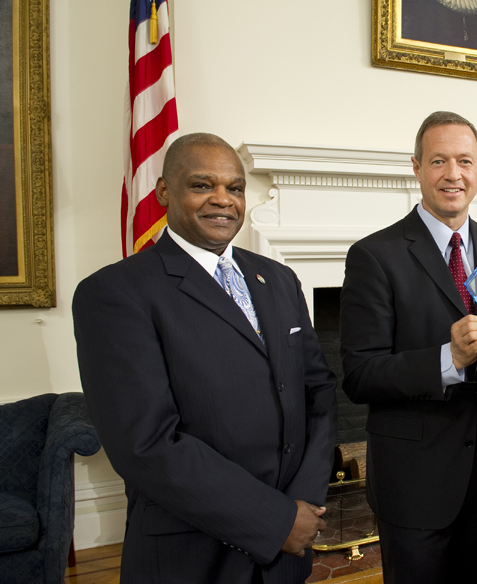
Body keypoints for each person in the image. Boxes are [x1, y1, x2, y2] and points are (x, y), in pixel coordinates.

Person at [73, 133, 338, 584]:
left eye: (235, 188)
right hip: (191, 555)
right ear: (163, 192)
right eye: (202, 185)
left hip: (289, 553)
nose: (223, 200)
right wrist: (275, 520)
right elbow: (146, 444)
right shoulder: (115, 293)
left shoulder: (277, 278)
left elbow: (320, 393)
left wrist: (304, 505)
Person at [339, 111, 477, 584]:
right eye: (438, 160)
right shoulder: (374, 256)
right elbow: (361, 375)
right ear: (416, 167)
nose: (453, 174)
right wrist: (449, 359)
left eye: (464, 160)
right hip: (413, 481)